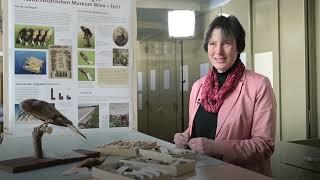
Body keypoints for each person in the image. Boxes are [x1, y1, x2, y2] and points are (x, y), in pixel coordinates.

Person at [174, 15, 276, 177]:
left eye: (226, 43)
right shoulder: (198, 86)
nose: (218, 51)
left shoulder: (259, 85)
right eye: (213, 44)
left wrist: (217, 148)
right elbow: (199, 127)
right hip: (201, 173)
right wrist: (185, 136)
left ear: (238, 47)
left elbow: (264, 145)